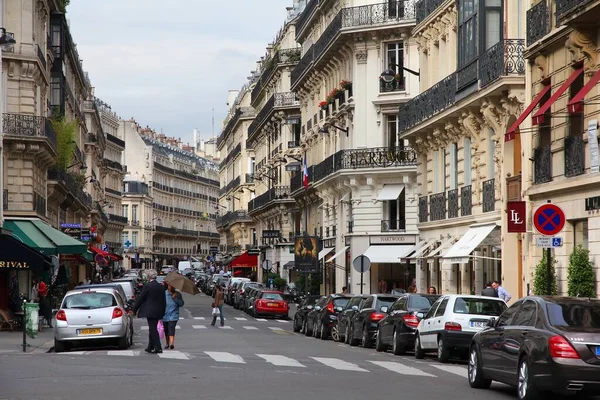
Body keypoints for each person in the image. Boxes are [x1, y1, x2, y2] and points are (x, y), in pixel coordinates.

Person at [133, 269, 167, 354]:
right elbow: (163, 300)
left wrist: (134, 309)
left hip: (150, 311)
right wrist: (163, 311)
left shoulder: (148, 286)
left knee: (152, 329)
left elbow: (141, 298)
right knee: (152, 328)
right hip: (158, 310)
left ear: (148, 277)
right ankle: (150, 346)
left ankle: (158, 347)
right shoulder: (160, 286)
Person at [163, 284, 184, 350]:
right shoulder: (164, 294)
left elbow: (181, 304)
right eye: (169, 286)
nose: (171, 287)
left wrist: (175, 298)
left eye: (172, 286)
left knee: (171, 328)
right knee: (166, 330)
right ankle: (167, 343)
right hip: (165, 315)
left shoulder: (178, 294)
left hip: (174, 315)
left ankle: (172, 343)